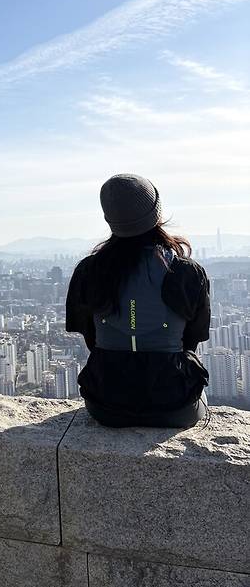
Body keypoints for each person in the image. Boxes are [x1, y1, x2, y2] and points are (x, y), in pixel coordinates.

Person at [66, 174, 210, 428]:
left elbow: (91, 338)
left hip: (105, 402)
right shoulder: (187, 272)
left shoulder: (89, 271)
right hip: (173, 403)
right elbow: (191, 340)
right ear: (158, 213)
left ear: (109, 218)